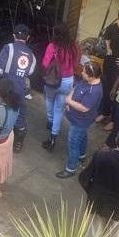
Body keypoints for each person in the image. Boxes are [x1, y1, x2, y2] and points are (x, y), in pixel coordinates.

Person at [0, 24, 36, 153]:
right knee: (20, 116)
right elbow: (29, 72)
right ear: (27, 37)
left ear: (13, 35)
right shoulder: (32, 56)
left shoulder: (8, 48)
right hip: (20, 91)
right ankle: (18, 142)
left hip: (4, 88)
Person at [56, 61, 103, 179]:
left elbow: (84, 108)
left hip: (80, 121)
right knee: (82, 137)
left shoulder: (94, 91)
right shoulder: (87, 81)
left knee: (73, 143)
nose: (82, 73)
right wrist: (70, 98)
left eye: (84, 72)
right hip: (76, 118)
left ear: (91, 76)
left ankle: (70, 168)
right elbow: (76, 87)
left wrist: (69, 102)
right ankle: (82, 156)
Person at [41, 22, 80, 151]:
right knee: (59, 109)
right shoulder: (73, 46)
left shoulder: (53, 46)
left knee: (49, 101)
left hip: (53, 80)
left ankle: (50, 122)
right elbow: (75, 64)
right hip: (68, 81)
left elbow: (45, 63)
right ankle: (53, 138)